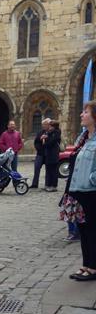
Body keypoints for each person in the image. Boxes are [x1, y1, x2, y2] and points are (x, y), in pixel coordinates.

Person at [67, 101, 96, 280]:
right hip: (80, 191)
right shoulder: (84, 138)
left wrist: (91, 179)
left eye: (85, 112)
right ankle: (86, 264)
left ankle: (93, 267)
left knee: (93, 230)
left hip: (92, 191)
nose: (81, 114)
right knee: (84, 230)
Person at [42, 120, 63, 191]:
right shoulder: (50, 132)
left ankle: (53, 186)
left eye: (50, 126)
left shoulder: (56, 132)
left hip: (53, 154)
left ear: (54, 126)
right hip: (49, 154)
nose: (49, 127)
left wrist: (45, 139)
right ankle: (47, 185)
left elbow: (51, 142)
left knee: (53, 171)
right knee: (48, 170)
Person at [31, 119, 51, 188]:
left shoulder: (51, 132)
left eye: (45, 124)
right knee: (36, 168)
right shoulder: (40, 132)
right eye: (43, 124)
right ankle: (34, 184)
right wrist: (39, 149)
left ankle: (47, 184)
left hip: (48, 154)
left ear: (49, 125)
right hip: (40, 154)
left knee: (48, 170)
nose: (44, 126)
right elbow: (36, 142)